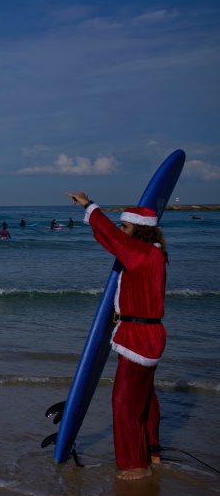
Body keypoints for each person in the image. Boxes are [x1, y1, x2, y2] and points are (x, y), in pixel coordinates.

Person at [68, 192, 168, 481]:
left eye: (126, 226)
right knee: (144, 396)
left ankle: (137, 464)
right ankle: (153, 450)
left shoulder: (139, 253)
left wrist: (89, 206)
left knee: (124, 401)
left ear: (138, 229)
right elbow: (114, 238)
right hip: (152, 335)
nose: (123, 230)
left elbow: (110, 236)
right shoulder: (155, 254)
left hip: (138, 337)